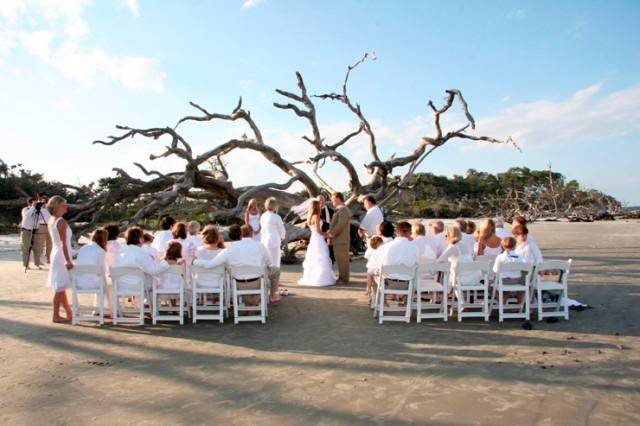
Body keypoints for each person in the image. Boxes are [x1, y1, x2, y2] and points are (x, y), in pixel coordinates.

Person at [194, 225, 272, 306]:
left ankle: (250, 302)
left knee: (233, 280)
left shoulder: (227, 251)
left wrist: (194, 261)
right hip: (257, 283)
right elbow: (269, 262)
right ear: (241, 235)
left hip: (238, 285)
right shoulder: (259, 245)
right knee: (267, 278)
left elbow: (210, 264)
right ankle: (258, 301)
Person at [45, 196, 73, 323]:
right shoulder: (61, 221)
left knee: (61, 287)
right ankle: (55, 315)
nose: (66, 206)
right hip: (61, 255)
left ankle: (68, 312)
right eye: (64, 204)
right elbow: (63, 244)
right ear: (57, 206)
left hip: (56, 253)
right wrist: (68, 260)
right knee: (59, 287)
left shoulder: (52, 220)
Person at [113, 226, 166, 292]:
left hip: (120, 285)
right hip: (138, 285)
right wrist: (166, 262)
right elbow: (153, 270)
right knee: (157, 281)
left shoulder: (120, 250)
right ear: (141, 239)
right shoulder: (141, 252)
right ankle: (151, 302)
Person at [373, 222, 418, 299]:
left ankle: (381, 301)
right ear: (410, 233)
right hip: (406, 285)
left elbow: (376, 265)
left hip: (387, 284)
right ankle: (406, 301)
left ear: (396, 232)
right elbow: (416, 264)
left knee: (373, 273)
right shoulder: (415, 247)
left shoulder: (385, 247)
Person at [299, 199, 336, 287]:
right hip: (318, 238)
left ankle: (312, 276)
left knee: (314, 257)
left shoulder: (310, 217)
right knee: (321, 257)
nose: (320, 206)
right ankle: (321, 278)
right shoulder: (317, 216)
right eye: (319, 205)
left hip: (313, 238)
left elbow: (314, 230)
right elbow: (319, 231)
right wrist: (327, 235)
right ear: (316, 206)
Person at [75, 229, 111, 314]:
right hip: (93, 284)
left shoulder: (83, 248)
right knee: (106, 284)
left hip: (78, 282)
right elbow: (102, 271)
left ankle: (97, 310)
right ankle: (102, 310)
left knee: (100, 280)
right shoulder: (100, 251)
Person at [260, 197, 286, 301]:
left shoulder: (263, 216)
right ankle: (274, 284)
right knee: (275, 262)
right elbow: (282, 230)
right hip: (274, 240)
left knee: (267, 262)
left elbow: (262, 229)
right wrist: (282, 237)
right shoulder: (276, 217)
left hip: (264, 240)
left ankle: (269, 282)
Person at [328, 192, 351, 284]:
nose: (331, 200)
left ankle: (344, 279)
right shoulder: (340, 209)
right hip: (339, 239)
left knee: (342, 260)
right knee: (340, 259)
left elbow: (341, 224)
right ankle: (342, 277)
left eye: (332, 198)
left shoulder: (343, 209)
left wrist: (331, 234)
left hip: (341, 239)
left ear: (338, 198)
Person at [19, 197, 41, 269]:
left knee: (37, 248)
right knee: (26, 248)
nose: (35, 204)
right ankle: (26, 264)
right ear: (29, 203)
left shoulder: (37, 210)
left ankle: (37, 263)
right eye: (34, 202)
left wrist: (38, 210)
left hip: (34, 231)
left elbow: (38, 221)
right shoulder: (25, 209)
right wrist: (33, 207)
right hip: (26, 230)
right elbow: (27, 216)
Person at [36, 192, 52, 264]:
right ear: (39, 197)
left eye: (46, 197)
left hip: (49, 225)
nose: (45, 199)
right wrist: (40, 206)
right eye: (43, 197)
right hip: (41, 225)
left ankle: (49, 258)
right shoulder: (36, 205)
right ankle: (38, 259)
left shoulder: (48, 205)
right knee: (40, 243)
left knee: (50, 243)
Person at [318, 195, 335, 263]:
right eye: (319, 200)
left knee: (329, 250)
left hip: (328, 232)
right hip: (319, 233)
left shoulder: (330, 211)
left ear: (325, 201)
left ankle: (331, 261)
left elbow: (333, 222)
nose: (321, 201)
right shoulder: (315, 212)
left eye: (322, 200)